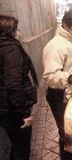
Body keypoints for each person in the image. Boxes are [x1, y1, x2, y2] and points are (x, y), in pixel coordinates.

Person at [42, 9, 72, 160]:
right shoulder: (56, 46)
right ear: (65, 26)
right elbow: (49, 76)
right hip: (61, 96)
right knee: (67, 134)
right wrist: (70, 78)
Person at [0, 15, 38, 160]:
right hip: (14, 111)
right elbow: (14, 84)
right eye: (18, 29)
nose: (20, 33)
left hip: (4, 108)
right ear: (10, 31)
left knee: (13, 146)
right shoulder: (10, 49)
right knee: (21, 150)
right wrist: (24, 115)